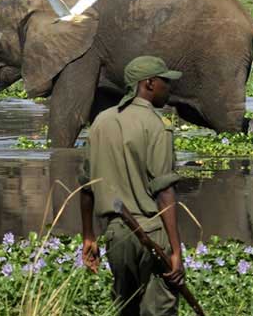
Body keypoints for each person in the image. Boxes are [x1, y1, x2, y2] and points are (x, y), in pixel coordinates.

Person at [80, 56, 187, 316]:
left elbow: (85, 188)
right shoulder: (157, 125)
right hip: (153, 233)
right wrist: (175, 250)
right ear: (148, 83)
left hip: (116, 236)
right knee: (159, 310)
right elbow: (164, 191)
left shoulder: (100, 123)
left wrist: (88, 236)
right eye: (165, 82)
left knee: (126, 309)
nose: (169, 88)